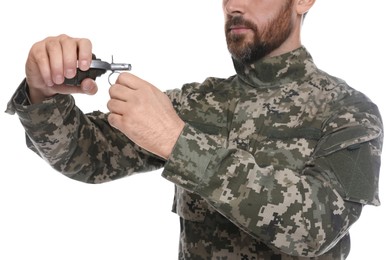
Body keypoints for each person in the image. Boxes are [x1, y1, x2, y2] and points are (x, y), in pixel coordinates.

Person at [6, 0, 383, 259]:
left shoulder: (350, 112)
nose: (234, 5)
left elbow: (317, 226)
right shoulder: (198, 103)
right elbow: (84, 156)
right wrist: (42, 92)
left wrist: (178, 143)